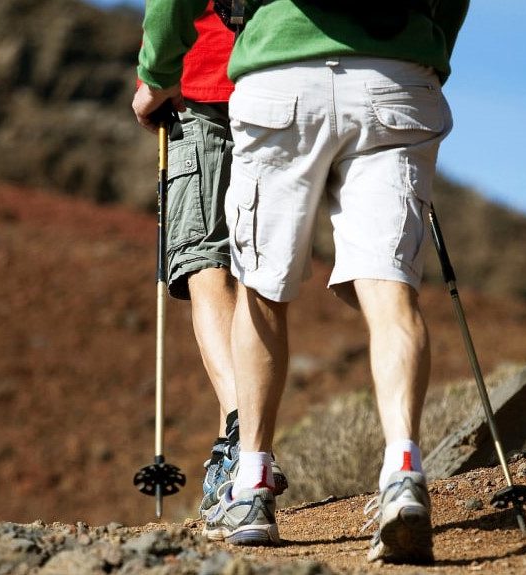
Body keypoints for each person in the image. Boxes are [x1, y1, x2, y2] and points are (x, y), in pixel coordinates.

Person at [134, 0, 468, 564]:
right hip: (398, 74)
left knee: (260, 289)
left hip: (278, 75)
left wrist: (157, 73)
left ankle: (251, 482)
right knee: (391, 288)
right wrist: (427, 48)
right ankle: (404, 471)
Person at [131, 1, 286, 518]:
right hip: (282, 85)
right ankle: (236, 471)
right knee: (257, 273)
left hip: (199, 88)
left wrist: (154, 77)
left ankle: (244, 438)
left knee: (206, 265)